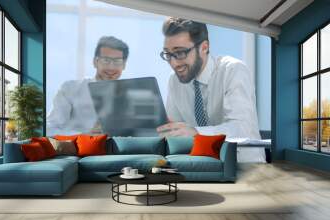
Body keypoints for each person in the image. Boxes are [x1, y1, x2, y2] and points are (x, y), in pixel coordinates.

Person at [156, 18, 265, 162]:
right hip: (203, 165)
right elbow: (176, 129)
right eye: (168, 54)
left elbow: (241, 128)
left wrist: (196, 133)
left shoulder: (233, 70)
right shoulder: (174, 81)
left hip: (244, 166)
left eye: (180, 53)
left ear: (204, 47)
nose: (174, 63)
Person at [47, 36, 129, 135]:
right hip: (79, 148)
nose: (111, 67)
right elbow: (50, 128)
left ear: (124, 65)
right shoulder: (70, 88)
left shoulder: (129, 96)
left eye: (117, 62)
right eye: (106, 60)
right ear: (95, 62)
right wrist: (85, 136)